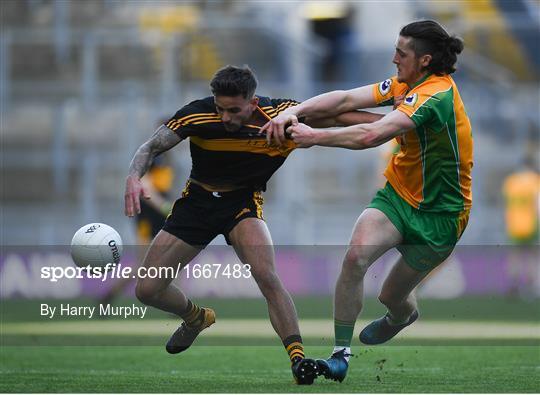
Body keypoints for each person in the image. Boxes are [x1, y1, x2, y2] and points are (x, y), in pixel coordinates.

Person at [123, 65, 379, 384]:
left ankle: (298, 360)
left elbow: (338, 115)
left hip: (242, 204)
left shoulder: (282, 115)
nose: (226, 117)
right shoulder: (197, 115)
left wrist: (400, 125)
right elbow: (151, 147)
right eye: (220, 109)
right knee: (147, 289)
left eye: (234, 110)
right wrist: (134, 177)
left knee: (267, 277)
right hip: (197, 204)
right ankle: (195, 318)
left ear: (252, 101)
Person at [261, 20, 473, 382]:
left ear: (423, 60)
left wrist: (314, 136)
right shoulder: (408, 83)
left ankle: (400, 317)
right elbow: (345, 98)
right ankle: (340, 354)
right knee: (356, 256)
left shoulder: (434, 96)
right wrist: (291, 113)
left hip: (442, 216)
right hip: (397, 196)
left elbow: (372, 135)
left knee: (393, 296)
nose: (393, 58)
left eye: (401, 53)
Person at [100, 154, 174, 306]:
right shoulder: (151, 154)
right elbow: (144, 186)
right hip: (148, 219)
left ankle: (176, 304)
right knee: (141, 266)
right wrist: (164, 207)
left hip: (163, 219)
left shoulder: (168, 157)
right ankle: (109, 296)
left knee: (174, 260)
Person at [502, 157, 539, 299]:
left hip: (514, 225)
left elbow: (506, 204)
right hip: (531, 225)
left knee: (515, 256)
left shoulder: (511, 181)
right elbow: (537, 204)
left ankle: (514, 286)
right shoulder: (535, 181)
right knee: (531, 256)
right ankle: (530, 287)